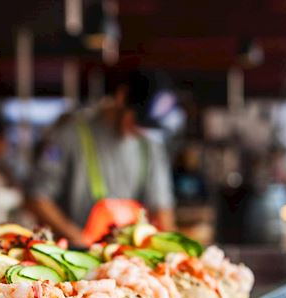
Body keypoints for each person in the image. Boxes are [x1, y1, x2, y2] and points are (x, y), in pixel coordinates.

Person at [29, 71, 176, 246]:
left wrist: (172, 251)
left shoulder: (150, 146)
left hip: (128, 254)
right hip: (76, 251)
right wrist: (76, 236)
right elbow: (37, 198)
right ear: (122, 97)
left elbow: (161, 208)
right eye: (137, 119)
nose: (139, 129)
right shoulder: (69, 135)